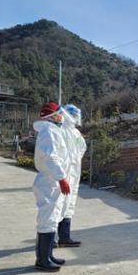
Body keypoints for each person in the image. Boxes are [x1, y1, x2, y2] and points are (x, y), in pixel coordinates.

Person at [32, 102, 71, 272]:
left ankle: (48, 255)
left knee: (52, 218)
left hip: (52, 181)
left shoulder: (52, 130)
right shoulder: (49, 130)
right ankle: (42, 260)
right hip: (50, 181)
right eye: (59, 113)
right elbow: (49, 157)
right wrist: (61, 178)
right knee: (47, 219)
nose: (61, 116)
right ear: (52, 116)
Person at [57, 104, 87, 247]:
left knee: (70, 204)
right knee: (57, 205)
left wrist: (75, 161)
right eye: (74, 115)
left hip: (74, 173)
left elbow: (82, 147)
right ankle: (51, 238)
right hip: (63, 174)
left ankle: (64, 237)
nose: (76, 118)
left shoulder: (75, 133)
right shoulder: (59, 130)